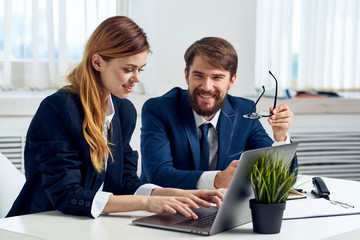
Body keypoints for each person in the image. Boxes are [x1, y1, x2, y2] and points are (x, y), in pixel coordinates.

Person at [6, 17, 223, 219]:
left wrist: (176, 194)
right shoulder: (58, 109)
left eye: (140, 69)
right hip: (44, 222)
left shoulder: (123, 110)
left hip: (88, 225)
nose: (136, 78)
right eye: (128, 69)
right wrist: (146, 203)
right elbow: (67, 195)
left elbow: (124, 182)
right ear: (98, 62)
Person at [140, 37, 297, 190]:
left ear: (231, 81)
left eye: (217, 77)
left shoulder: (243, 112)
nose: (207, 87)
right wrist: (217, 180)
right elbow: (158, 175)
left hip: (218, 209)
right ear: (187, 75)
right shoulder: (159, 109)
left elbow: (282, 178)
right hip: (164, 209)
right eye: (198, 75)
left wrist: (281, 138)